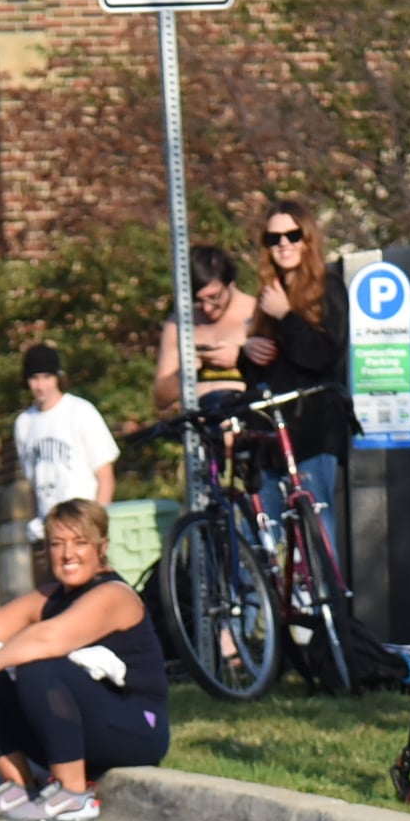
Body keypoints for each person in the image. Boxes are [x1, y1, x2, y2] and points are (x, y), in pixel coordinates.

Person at [0, 498, 168, 821]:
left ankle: (75, 794)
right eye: (57, 544)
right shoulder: (50, 597)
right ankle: (19, 784)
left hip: (137, 729)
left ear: (101, 547)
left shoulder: (115, 595)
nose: (68, 554)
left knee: (37, 663)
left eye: (80, 543)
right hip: (74, 728)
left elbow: (45, 639)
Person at [240, 199, 353, 562]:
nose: (284, 245)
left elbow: (324, 356)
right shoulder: (268, 294)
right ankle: (254, 618)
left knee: (316, 534)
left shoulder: (327, 288)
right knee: (260, 538)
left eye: (292, 235)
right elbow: (263, 374)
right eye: (274, 238)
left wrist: (286, 316)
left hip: (312, 434)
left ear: (308, 240)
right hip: (272, 434)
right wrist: (248, 351)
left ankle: (327, 616)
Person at [9, 344, 117, 544]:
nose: (41, 386)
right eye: (34, 378)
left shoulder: (80, 411)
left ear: (57, 377)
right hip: (48, 531)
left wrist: (97, 527)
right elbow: (33, 484)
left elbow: (105, 475)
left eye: (47, 377)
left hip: (83, 527)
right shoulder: (24, 423)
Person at [152, 246, 254, 416]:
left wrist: (241, 358)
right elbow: (161, 399)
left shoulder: (257, 314)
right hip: (201, 430)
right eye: (198, 301)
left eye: (214, 297)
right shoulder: (179, 323)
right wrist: (184, 371)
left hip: (249, 425)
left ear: (231, 283)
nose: (207, 308)